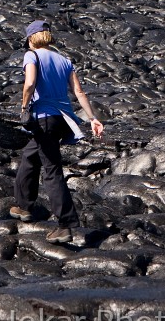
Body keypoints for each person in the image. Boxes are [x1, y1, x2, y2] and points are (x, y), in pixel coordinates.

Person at [11, 20, 104, 243]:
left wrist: (24, 108)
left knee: (52, 171)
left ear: (31, 39)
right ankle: (23, 206)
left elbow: (30, 82)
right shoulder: (64, 60)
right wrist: (92, 118)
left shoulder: (31, 56)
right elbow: (79, 91)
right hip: (62, 120)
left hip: (44, 119)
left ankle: (66, 225)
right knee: (30, 157)